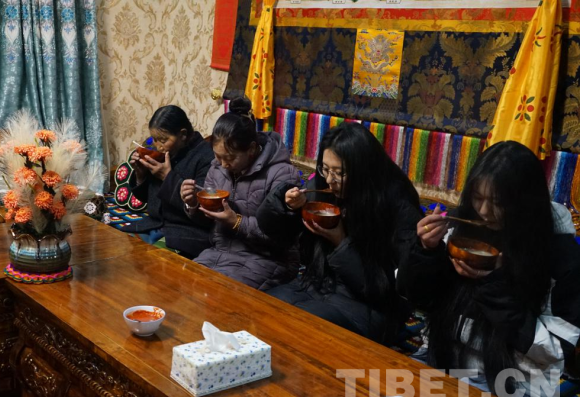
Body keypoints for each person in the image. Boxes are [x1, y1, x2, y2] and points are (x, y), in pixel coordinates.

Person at [398, 141, 580, 397]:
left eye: (497, 203)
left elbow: (557, 350)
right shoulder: (461, 226)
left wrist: (495, 284)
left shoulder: (559, 254)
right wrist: (425, 251)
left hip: (519, 381)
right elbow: (416, 298)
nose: (483, 211)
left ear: (525, 203)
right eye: (477, 198)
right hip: (445, 358)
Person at [257, 123, 422, 344]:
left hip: (371, 307)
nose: (329, 180)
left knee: (298, 327)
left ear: (364, 169)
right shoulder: (324, 186)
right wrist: (286, 204)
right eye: (325, 169)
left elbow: (390, 290)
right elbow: (273, 230)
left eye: (339, 173)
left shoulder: (395, 202)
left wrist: (340, 241)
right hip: (317, 285)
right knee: (262, 309)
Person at [180, 97, 301, 290]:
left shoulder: (282, 174)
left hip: (268, 259)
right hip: (220, 251)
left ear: (251, 149)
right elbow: (208, 221)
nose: (223, 164)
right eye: (217, 156)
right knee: (185, 283)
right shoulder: (218, 168)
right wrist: (193, 203)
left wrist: (236, 221)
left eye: (230, 158)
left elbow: (282, 237)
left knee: (222, 293)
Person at [125, 105, 215, 258]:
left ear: (183, 134)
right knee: (118, 247)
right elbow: (146, 199)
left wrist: (167, 177)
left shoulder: (206, 156)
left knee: (151, 259)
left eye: (163, 140)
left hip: (187, 232)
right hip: (154, 224)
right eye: (154, 139)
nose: (158, 146)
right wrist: (141, 174)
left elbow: (203, 211)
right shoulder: (166, 152)